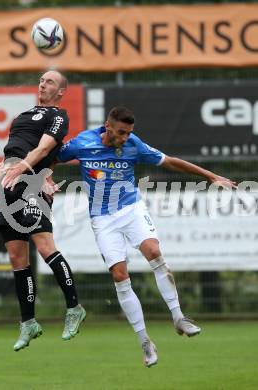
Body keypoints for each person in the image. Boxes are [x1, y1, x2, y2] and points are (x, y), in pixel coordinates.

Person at [57, 106, 237, 367]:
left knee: (154, 252)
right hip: (103, 219)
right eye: (121, 133)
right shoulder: (83, 142)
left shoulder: (134, 144)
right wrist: (44, 176)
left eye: (129, 133)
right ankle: (145, 342)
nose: (125, 138)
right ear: (108, 127)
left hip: (131, 208)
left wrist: (210, 176)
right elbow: (54, 156)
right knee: (120, 275)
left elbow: (170, 161)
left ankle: (179, 317)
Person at [0, 70, 86, 351]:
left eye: (49, 81)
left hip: (33, 184)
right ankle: (28, 322)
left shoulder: (58, 116)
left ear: (60, 91)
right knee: (16, 257)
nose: (42, 83)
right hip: (7, 186)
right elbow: (7, 159)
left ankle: (74, 308)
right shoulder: (21, 117)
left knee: (45, 247)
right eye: (41, 80)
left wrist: (25, 170)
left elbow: (44, 148)